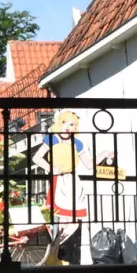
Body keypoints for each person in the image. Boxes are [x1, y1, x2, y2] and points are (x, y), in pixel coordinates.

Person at [32, 110, 92, 261]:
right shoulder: (52, 139)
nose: (67, 127)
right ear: (59, 123)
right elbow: (37, 157)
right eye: (64, 123)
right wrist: (51, 168)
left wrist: (105, 154)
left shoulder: (77, 143)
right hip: (60, 180)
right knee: (60, 219)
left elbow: (89, 164)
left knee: (75, 220)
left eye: (72, 124)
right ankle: (59, 255)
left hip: (73, 183)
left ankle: (72, 258)